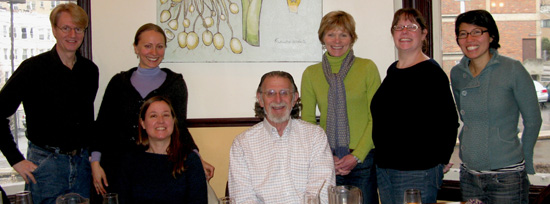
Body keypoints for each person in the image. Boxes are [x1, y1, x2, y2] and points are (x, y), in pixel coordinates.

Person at [91, 23, 214, 196]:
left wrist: (196, 159)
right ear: (136, 48)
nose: (154, 53)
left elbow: (179, 127)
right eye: (147, 46)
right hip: (116, 167)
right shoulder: (118, 83)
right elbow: (102, 125)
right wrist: (95, 163)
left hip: (157, 166)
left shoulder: (175, 83)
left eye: (159, 46)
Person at [0, 3, 98, 203]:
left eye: (78, 29)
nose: (72, 34)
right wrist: (15, 159)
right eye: (66, 28)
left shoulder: (89, 71)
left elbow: (87, 122)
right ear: (54, 30)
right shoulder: (32, 69)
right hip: (45, 165)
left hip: (81, 166)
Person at [451, 10, 542, 204]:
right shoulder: (457, 73)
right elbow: (467, 120)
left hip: (506, 177)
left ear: (491, 36)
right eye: (463, 33)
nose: (469, 39)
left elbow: (533, 120)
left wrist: (526, 161)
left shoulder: (512, 69)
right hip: (469, 175)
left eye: (477, 31)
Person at [370, 8, 459, 204]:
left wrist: (441, 160)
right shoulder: (393, 70)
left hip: (417, 171)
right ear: (392, 33)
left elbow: (449, 121)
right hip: (386, 169)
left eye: (412, 27)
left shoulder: (431, 73)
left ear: (424, 33)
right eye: (399, 27)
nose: (404, 31)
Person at [300, 10, 381, 204]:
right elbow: (308, 122)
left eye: (343, 34)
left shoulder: (367, 68)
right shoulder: (311, 74)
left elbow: (377, 117)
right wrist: (327, 156)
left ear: (352, 38)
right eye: (331, 34)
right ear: (322, 38)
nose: (337, 40)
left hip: (364, 159)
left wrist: (357, 156)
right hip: (327, 160)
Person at [229, 71, 335, 203]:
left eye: (284, 93)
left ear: (295, 98)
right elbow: (242, 198)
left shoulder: (315, 136)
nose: (278, 100)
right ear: (260, 99)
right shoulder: (242, 144)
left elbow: (321, 193)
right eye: (271, 93)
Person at [113, 96, 207, 204]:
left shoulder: (190, 160)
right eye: (153, 116)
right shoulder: (129, 161)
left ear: (173, 121)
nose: (160, 121)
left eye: (166, 115)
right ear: (143, 123)